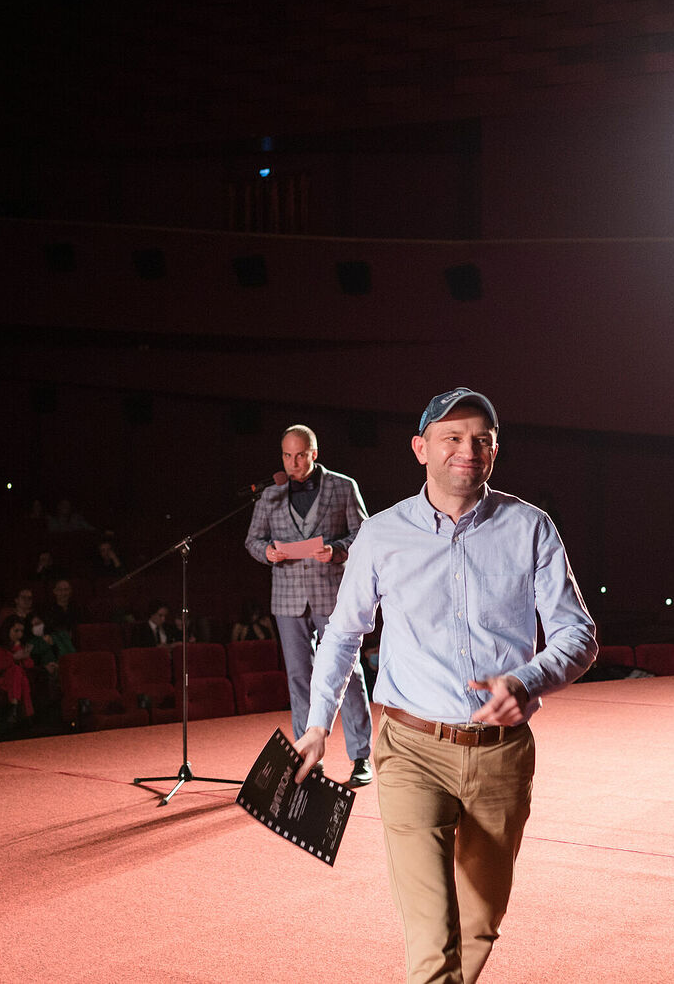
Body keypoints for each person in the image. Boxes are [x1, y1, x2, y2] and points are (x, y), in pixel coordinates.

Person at [293, 387, 598, 984]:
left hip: (501, 755)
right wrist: (316, 725)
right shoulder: (381, 534)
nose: (468, 450)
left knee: (480, 924)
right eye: (451, 437)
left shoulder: (530, 527)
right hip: (410, 750)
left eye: (481, 439)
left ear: (495, 450)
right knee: (433, 940)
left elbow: (577, 634)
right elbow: (343, 635)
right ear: (421, 448)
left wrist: (527, 680)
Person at [245, 424, 374, 786]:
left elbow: (364, 533)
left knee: (347, 674)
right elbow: (253, 540)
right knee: (299, 677)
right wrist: (267, 552)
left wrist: (336, 550)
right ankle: (308, 757)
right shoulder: (271, 493)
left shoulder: (342, 486)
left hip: (330, 594)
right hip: (287, 599)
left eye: (300, 455)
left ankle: (361, 755)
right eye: (287, 456)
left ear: (314, 453)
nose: (293, 463)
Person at [0, 619, 36, 721]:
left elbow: (30, 665)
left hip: (15, 679)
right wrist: (13, 658)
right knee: (18, 673)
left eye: (21, 631)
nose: (19, 634)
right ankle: (26, 715)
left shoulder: (17, 644)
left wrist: (21, 653)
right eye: (16, 631)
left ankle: (13, 709)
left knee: (18, 673)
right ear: (7, 629)